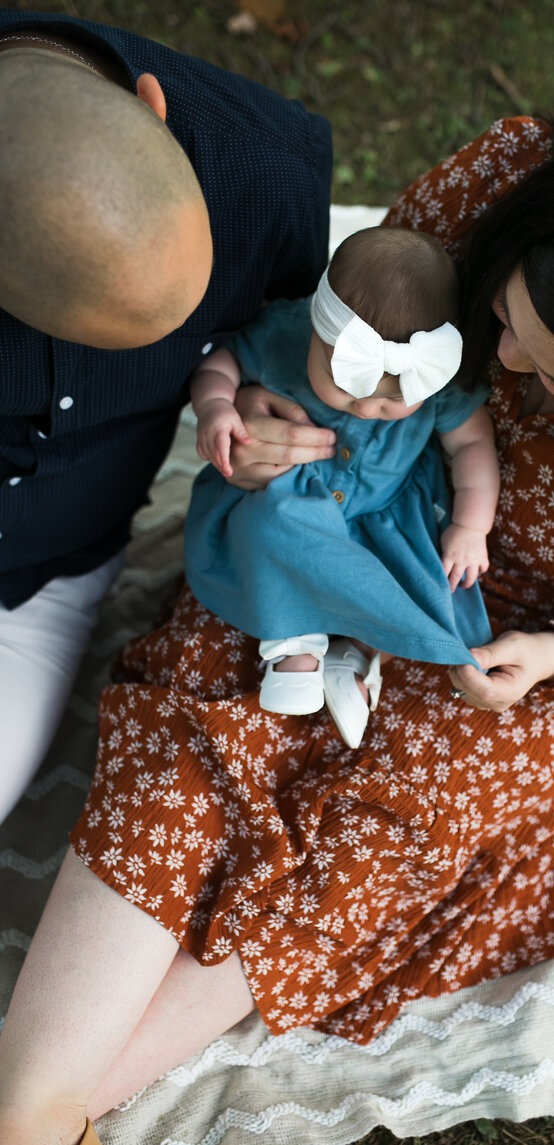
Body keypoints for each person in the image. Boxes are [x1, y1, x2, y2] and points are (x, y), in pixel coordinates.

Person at [2, 114, 554, 1145]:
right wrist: (274, 415)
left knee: (374, 821)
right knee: (208, 717)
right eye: (508, 321)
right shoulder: (509, 173)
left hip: (518, 655)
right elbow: (337, 325)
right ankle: (29, 1108)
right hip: (362, 521)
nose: (505, 361)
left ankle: (42, 1118)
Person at [0, 10, 332, 825]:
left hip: (45, 582)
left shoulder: (271, 174)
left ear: (153, 105)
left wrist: (250, 409)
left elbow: (278, 353)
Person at [186, 226, 499, 747]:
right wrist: (215, 404)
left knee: (410, 579)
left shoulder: (442, 384)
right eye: (351, 385)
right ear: (315, 327)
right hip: (294, 495)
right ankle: (294, 643)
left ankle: (356, 652)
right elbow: (223, 360)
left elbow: (472, 446)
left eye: (395, 399)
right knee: (275, 526)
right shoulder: (283, 331)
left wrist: (471, 526)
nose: (369, 407)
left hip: (384, 512)